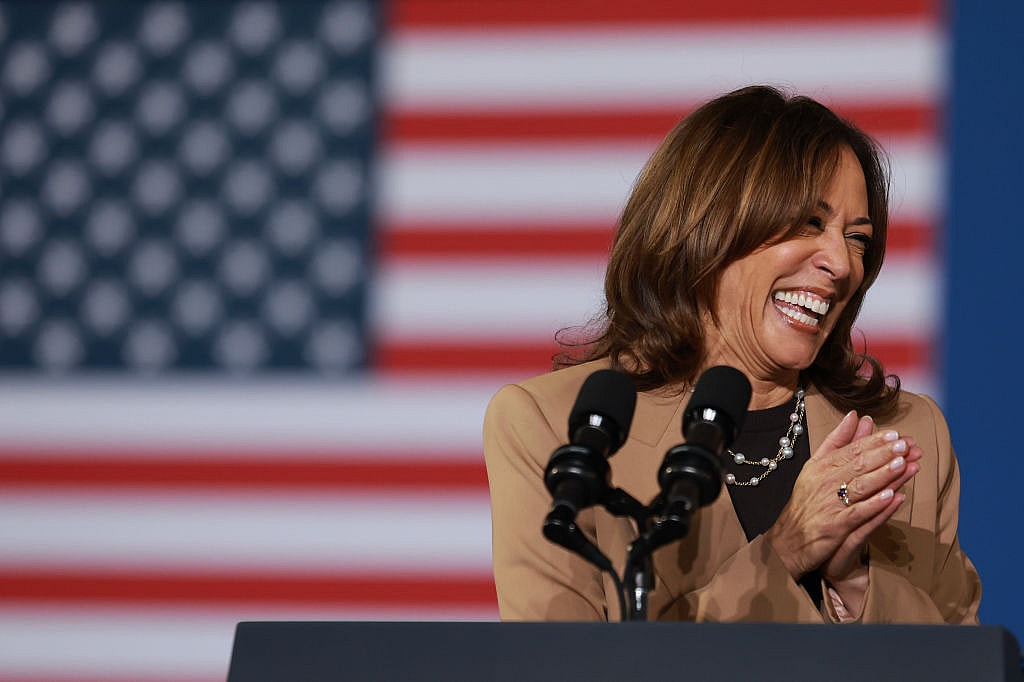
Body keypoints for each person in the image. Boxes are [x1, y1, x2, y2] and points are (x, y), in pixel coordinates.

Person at [482, 85, 981, 623]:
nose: (841, 264)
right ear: (708, 227)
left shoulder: (906, 434)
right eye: (810, 223)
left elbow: (960, 655)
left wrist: (855, 585)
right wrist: (784, 551)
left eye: (857, 239)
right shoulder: (556, 427)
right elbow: (563, 662)